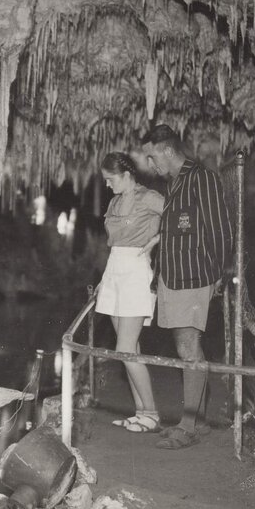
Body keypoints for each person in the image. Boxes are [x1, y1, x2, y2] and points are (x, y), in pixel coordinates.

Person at [141, 124, 232, 450]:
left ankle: (188, 427)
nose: (151, 164)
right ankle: (198, 420)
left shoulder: (201, 178)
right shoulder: (175, 183)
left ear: (167, 150)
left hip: (193, 277)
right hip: (174, 277)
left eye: (152, 156)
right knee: (187, 347)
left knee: (188, 347)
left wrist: (218, 274)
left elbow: (220, 230)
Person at [94, 151, 165, 433]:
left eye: (110, 179)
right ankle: (140, 413)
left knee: (124, 349)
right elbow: (114, 243)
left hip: (135, 271)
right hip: (114, 271)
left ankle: (153, 414)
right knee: (129, 350)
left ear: (126, 175)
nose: (107, 184)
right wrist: (105, 279)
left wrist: (158, 238)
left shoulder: (149, 197)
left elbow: (184, 217)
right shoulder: (114, 201)